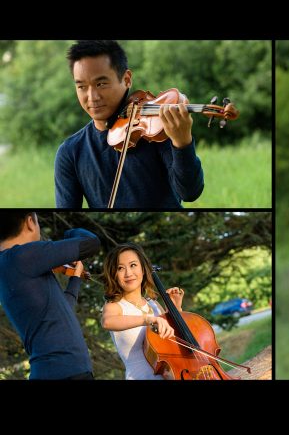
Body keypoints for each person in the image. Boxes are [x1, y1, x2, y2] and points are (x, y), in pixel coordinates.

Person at [55, 40, 204, 208]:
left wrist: (182, 142)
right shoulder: (70, 152)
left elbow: (190, 192)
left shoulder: (156, 130)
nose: (92, 97)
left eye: (101, 84)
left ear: (126, 79)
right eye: (82, 87)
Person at [0, 211, 100, 379]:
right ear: (30, 222)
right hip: (67, 373)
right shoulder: (23, 256)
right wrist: (69, 233)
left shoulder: (9, 264)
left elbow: (62, 310)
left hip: (58, 372)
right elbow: (91, 243)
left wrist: (75, 279)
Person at [100, 243, 185, 380]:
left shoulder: (154, 304)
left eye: (133, 265)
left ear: (143, 269)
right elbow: (107, 321)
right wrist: (148, 319)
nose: (128, 273)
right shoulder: (114, 306)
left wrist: (175, 309)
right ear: (113, 274)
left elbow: (173, 340)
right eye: (120, 268)